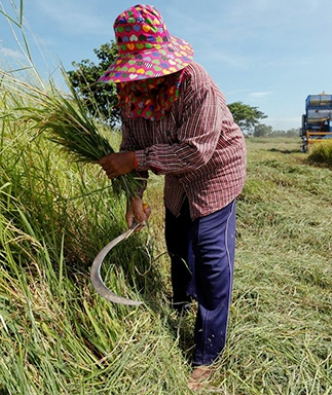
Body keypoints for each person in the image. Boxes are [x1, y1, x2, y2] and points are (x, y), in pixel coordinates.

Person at [97, 4, 246, 389]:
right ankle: (180, 303)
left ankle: (208, 350)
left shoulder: (194, 82)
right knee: (177, 242)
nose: (145, 78)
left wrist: (135, 159)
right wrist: (135, 195)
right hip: (177, 176)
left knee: (212, 258)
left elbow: (196, 151)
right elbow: (132, 143)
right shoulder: (129, 91)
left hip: (216, 171)